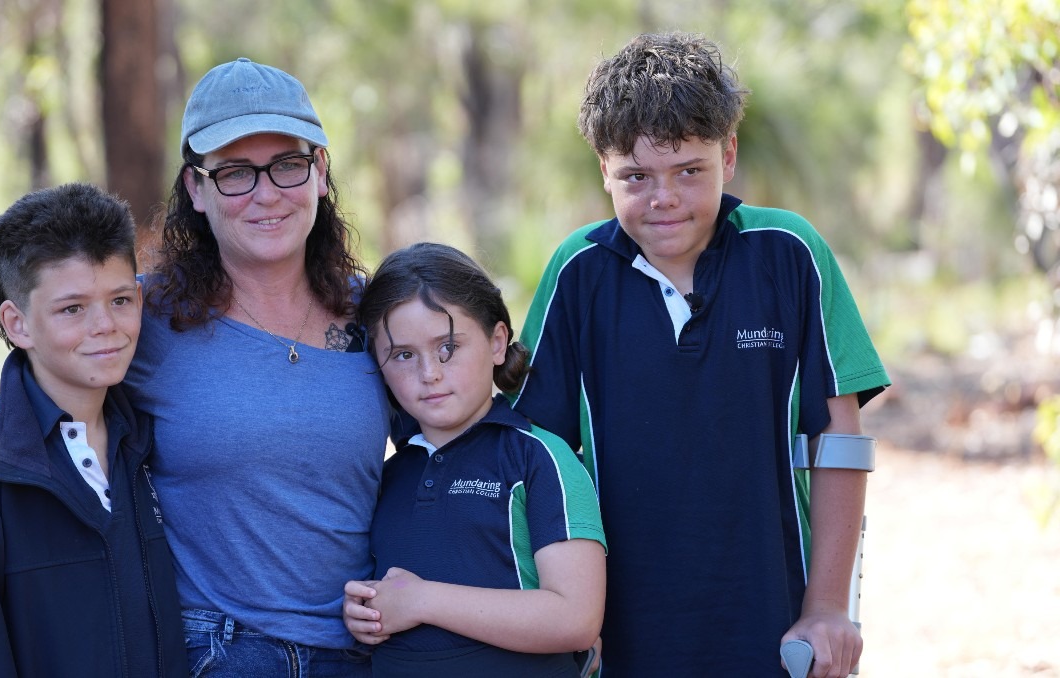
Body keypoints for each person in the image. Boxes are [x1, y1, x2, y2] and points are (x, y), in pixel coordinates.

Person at [509, 32, 891, 677]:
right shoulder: (577, 272)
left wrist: (828, 607)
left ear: (729, 154)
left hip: (774, 617)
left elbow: (839, 441)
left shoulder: (790, 254)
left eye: (689, 171)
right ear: (603, 170)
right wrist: (557, 611)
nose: (664, 198)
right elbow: (535, 459)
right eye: (636, 177)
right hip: (620, 628)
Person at [121, 58, 390, 676]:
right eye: (236, 173)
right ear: (196, 189)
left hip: (363, 651)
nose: (267, 194)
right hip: (218, 651)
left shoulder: (376, 311)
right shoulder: (144, 318)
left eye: (287, 165)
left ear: (320, 172)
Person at [0, 183, 187, 676]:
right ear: (18, 323)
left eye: (119, 300)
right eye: (72, 308)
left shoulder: (151, 444)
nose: (105, 325)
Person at [341, 242, 606, 677]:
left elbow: (576, 620)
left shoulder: (539, 458)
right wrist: (366, 612)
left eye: (448, 347)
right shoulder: (385, 474)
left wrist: (423, 600)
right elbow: (392, 596)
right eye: (403, 355)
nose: (429, 373)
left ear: (497, 342)